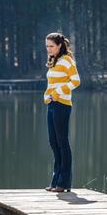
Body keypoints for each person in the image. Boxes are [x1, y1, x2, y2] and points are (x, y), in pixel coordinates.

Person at [43, 32, 80, 192]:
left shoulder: (67, 61)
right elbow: (51, 83)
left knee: (62, 141)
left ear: (59, 45)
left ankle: (64, 183)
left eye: (51, 46)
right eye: (47, 46)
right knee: (53, 141)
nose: (49, 49)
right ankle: (56, 180)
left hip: (62, 104)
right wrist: (47, 95)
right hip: (52, 104)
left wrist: (58, 93)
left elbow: (76, 81)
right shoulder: (54, 61)